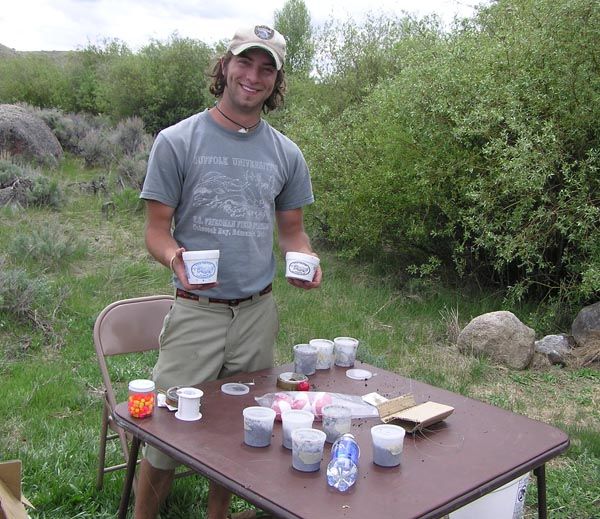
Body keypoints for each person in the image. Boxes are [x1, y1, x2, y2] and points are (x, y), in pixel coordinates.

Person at [135, 24, 322, 519]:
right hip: (196, 311)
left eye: (267, 68)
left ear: (276, 81)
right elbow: (156, 229)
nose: (253, 76)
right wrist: (177, 259)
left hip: (257, 314)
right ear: (225, 66)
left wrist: (306, 261)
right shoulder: (177, 140)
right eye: (244, 62)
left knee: (245, 429)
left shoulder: (287, 154)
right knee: (166, 431)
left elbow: (293, 233)